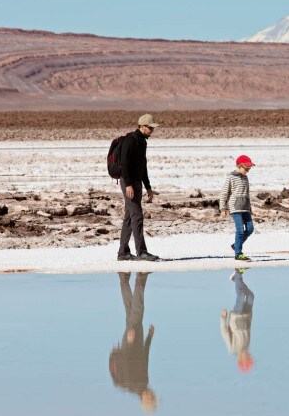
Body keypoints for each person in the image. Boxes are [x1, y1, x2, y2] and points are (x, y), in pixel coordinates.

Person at [109, 272, 158, 413]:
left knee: (138, 310)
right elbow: (145, 358)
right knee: (131, 308)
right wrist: (149, 337)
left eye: (152, 397)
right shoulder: (136, 386)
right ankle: (123, 278)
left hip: (132, 342)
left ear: (145, 399)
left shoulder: (138, 384)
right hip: (135, 341)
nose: (153, 394)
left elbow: (129, 363)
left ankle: (141, 277)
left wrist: (130, 342)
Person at [118, 113, 160, 262]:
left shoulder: (142, 142)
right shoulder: (130, 140)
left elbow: (143, 166)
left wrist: (148, 187)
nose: (152, 131)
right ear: (142, 126)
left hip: (136, 182)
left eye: (153, 128)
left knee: (129, 217)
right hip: (128, 182)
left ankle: (123, 253)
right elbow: (123, 164)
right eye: (150, 128)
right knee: (137, 215)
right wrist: (128, 184)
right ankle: (141, 252)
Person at [219, 155, 255, 261]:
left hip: (245, 207)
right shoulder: (231, 177)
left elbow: (247, 194)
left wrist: (250, 208)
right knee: (240, 230)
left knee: (250, 228)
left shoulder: (245, 178)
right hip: (235, 208)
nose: (248, 171)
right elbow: (224, 193)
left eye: (249, 169)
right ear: (239, 166)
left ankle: (236, 245)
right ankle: (238, 254)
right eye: (246, 168)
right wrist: (222, 208)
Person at [220, 269, 255, 373]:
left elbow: (225, 333)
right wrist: (250, 313)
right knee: (250, 296)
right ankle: (236, 279)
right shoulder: (246, 347)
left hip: (237, 316)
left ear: (240, 359)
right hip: (246, 315)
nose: (248, 355)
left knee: (241, 295)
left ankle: (238, 273)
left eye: (247, 358)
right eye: (249, 357)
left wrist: (223, 318)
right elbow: (248, 330)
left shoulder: (233, 349)